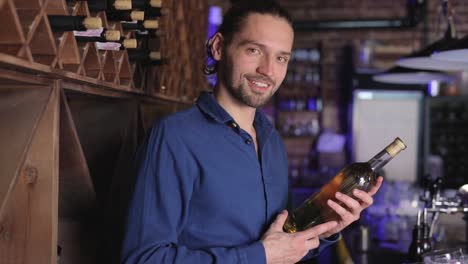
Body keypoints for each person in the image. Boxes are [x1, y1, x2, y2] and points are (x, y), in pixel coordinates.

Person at [121, 1, 383, 263]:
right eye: (254, 50)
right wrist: (261, 255)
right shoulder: (174, 137)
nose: (268, 70)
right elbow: (143, 258)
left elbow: (283, 244)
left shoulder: (273, 142)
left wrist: (328, 226)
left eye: (281, 58)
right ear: (219, 47)